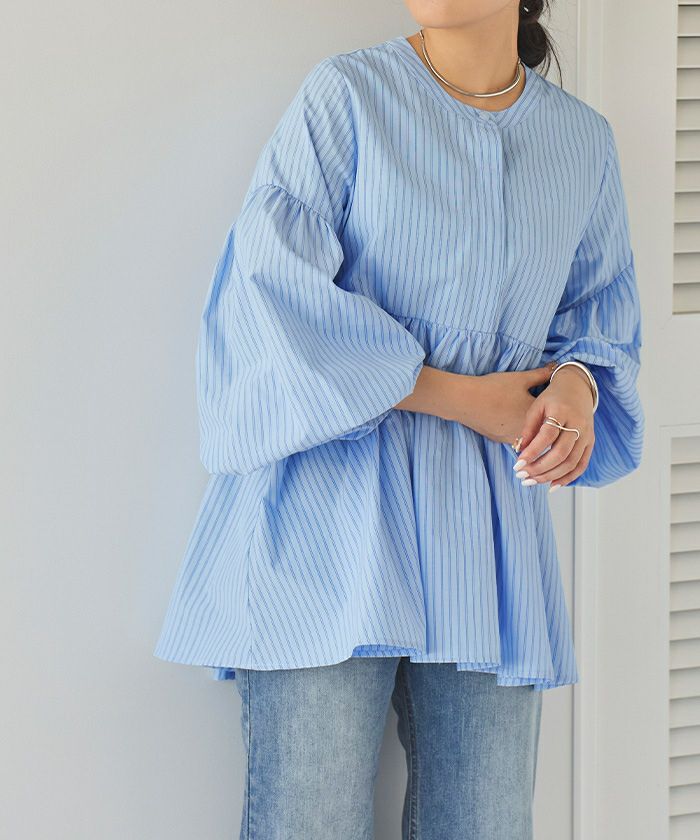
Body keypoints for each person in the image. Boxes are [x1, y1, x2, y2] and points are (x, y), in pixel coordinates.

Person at [154, 2, 644, 838]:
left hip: (485, 537)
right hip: (326, 514)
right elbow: (269, 297)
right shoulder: (348, 96)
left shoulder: (581, 142)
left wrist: (575, 388)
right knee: (310, 818)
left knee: (485, 822)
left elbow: (600, 317)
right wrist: (460, 396)